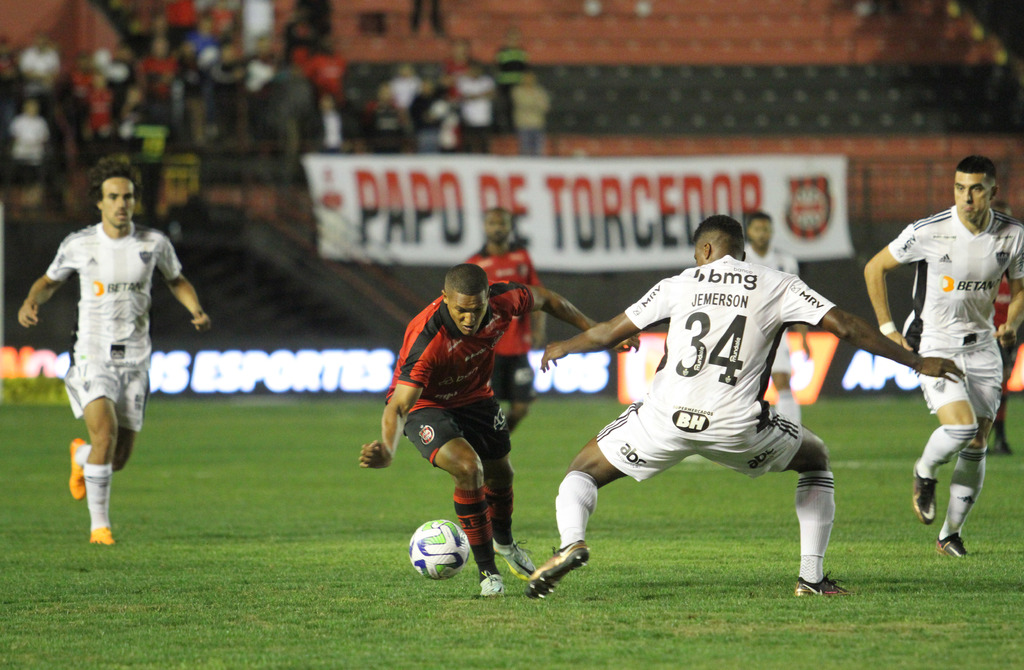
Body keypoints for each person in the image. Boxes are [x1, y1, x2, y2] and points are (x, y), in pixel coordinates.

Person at [525, 215, 962, 599]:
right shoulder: (776, 283)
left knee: (582, 470)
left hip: (664, 418)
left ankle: (571, 543)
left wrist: (565, 345)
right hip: (736, 427)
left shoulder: (678, 284)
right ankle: (811, 578)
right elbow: (845, 327)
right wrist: (916, 360)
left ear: (707, 249)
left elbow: (606, 333)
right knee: (816, 459)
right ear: (741, 250)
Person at [359, 263, 635, 597]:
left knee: (501, 475)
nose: (469, 318)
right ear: (445, 298)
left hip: (476, 397)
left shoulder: (503, 301)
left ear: (488, 297)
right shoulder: (428, 338)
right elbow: (400, 405)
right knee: (468, 467)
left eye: (476, 310)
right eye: (461, 310)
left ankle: (505, 544)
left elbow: (547, 300)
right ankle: (487, 572)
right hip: (427, 405)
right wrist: (388, 449)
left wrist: (598, 330)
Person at [17, 156, 211, 545]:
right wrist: (30, 300)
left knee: (116, 458)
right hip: (93, 354)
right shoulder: (80, 243)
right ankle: (99, 527)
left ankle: (79, 457)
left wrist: (196, 308)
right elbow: (49, 281)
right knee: (104, 437)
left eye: (128, 196)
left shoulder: (154, 244)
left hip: (137, 358)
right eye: (113, 196)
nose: (122, 203)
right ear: (99, 202)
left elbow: (177, 280)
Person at [863, 155, 1024, 557]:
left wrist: (1013, 323)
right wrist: (888, 330)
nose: (966, 197)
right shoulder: (929, 230)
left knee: (978, 443)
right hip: (935, 344)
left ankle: (949, 534)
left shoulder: (1013, 235)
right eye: (959, 188)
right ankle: (924, 470)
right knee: (962, 428)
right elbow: (874, 268)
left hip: (985, 345)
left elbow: (1019, 289)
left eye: (975, 189)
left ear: (992, 192)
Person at [466, 207, 546, 432]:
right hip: (488, 349)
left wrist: (539, 329)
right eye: (492, 223)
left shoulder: (521, 257)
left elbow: (537, 294)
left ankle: (498, 442)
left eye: (502, 223)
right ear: (485, 227)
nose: (498, 228)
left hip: (519, 347)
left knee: (521, 407)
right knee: (485, 407)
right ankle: (484, 448)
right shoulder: (476, 264)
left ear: (510, 227)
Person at [744, 211, 811, 423]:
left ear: (771, 231)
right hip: (744, 329)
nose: (762, 234)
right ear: (749, 232)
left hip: (775, 329)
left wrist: (803, 337)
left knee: (782, 381)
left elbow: (796, 301)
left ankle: (793, 431)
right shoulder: (740, 259)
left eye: (765, 229)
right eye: (757, 229)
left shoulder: (786, 262)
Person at [989, 199, 1016, 455]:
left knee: (1000, 386)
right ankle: (987, 439)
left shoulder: (1016, 256)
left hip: (1007, 332)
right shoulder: (979, 253)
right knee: (986, 389)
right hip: (983, 334)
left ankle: (1000, 439)